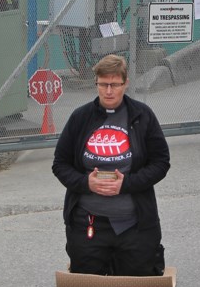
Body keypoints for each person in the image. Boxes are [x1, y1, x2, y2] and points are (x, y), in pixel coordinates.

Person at [52, 54, 170, 275]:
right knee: (87, 283)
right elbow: (60, 164)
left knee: (139, 282)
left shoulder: (142, 116)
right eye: (103, 84)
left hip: (133, 222)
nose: (108, 91)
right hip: (89, 221)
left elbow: (161, 162)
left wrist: (127, 184)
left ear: (125, 83)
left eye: (114, 84)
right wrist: (86, 182)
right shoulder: (80, 118)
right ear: (96, 82)